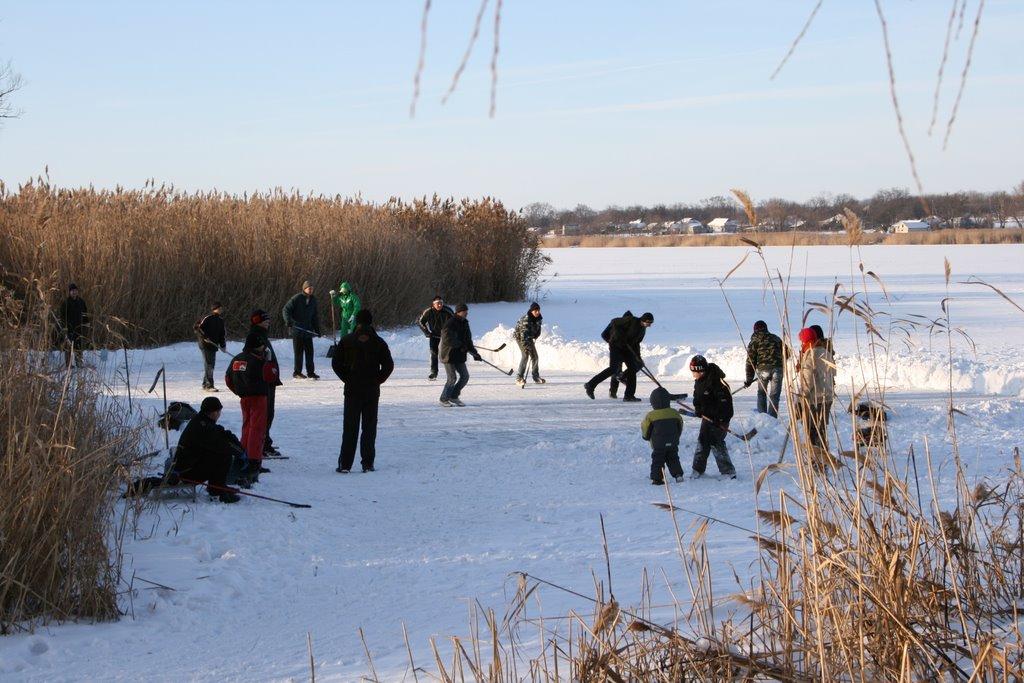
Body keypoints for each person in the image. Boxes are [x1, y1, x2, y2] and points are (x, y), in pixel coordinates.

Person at [332, 309, 394, 473]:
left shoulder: (347, 340)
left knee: (350, 427)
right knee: (369, 428)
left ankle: (345, 464)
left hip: (352, 390)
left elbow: (336, 364)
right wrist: (378, 380)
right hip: (371, 391)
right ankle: (367, 463)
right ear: (371, 322)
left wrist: (347, 378)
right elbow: (389, 365)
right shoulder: (379, 342)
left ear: (356, 322)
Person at [225, 314, 280, 480]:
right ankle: (254, 461)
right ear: (257, 347)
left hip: (244, 398)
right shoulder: (259, 361)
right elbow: (271, 376)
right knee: (257, 429)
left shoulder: (237, 359)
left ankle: (244, 455)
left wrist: (238, 391)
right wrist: (269, 362)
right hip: (259, 398)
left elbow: (228, 379)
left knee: (247, 427)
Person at [172, 396, 245, 503]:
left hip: (188, 466)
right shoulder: (204, 427)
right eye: (219, 411)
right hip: (186, 473)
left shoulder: (202, 420)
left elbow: (222, 433)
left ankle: (219, 486)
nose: (219, 414)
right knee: (224, 455)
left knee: (219, 452)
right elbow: (223, 445)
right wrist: (240, 453)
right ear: (213, 412)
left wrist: (239, 447)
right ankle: (217, 492)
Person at [584, 312, 654, 402]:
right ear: (643, 319)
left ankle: (629, 395)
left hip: (627, 349)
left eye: (651, 323)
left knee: (632, 369)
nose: (649, 325)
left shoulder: (642, 330)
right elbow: (614, 322)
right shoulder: (632, 320)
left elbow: (636, 344)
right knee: (613, 368)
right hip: (616, 346)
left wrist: (638, 357)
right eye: (648, 323)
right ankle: (590, 385)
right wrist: (619, 336)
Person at [689, 355, 736, 479]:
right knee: (702, 441)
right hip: (707, 418)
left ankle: (728, 472)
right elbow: (697, 397)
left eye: (694, 372)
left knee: (716, 443)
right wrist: (698, 409)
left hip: (720, 419)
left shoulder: (717, 383)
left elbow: (726, 405)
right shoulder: (699, 381)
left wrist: (719, 418)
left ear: (701, 370)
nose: (693, 374)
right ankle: (697, 470)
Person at [246, 310, 284, 457]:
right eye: (265, 321)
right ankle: (262, 444)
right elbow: (252, 357)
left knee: (269, 414)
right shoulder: (255, 335)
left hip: (269, 380)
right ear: (257, 321)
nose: (268, 323)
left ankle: (264, 441)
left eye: (268, 321)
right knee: (264, 415)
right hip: (263, 381)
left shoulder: (262, 334)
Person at [797, 327, 835, 452]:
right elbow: (833, 372)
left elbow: (807, 382)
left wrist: (799, 398)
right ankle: (823, 458)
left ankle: (816, 462)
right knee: (821, 430)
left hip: (814, 400)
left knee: (812, 432)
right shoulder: (826, 353)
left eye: (802, 342)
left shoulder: (810, 356)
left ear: (806, 341)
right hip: (827, 398)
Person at [439, 303, 481, 407]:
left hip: (459, 355)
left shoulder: (465, 323)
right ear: (458, 312)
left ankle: (453, 396)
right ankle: (444, 399)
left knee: (465, 376)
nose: (466, 313)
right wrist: (460, 345)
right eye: (464, 311)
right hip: (448, 354)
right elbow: (447, 339)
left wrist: (475, 353)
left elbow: (467, 340)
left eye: (467, 311)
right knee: (452, 378)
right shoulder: (450, 323)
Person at [641, 387, 686, 485]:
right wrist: (676, 436)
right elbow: (680, 425)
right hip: (673, 442)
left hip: (658, 444)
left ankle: (657, 479)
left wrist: (646, 437)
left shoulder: (651, 416)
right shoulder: (674, 413)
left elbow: (645, 428)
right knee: (673, 458)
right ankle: (678, 475)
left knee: (658, 460)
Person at [743, 320, 784, 417]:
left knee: (762, 393)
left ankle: (762, 417)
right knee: (775, 395)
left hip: (763, 370)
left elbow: (750, 362)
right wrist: (778, 360)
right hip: (778, 369)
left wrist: (749, 379)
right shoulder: (776, 339)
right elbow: (787, 353)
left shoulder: (754, 341)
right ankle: (772, 418)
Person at [283, 280, 322, 379]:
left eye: (312, 288)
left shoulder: (313, 300)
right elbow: (286, 309)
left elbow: (314, 316)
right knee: (298, 352)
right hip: (297, 329)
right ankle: (297, 372)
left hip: (307, 330)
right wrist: (288, 321)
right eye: (309, 288)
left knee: (310, 352)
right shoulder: (297, 298)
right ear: (304, 289)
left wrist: (317, 329)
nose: (311, 290)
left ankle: (310, 372)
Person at [418, 295, 454, 380]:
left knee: (446, 355)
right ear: (433, 304)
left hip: (445, 337)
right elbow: (420, 322)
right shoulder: (428, 311)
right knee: (433, 353)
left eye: (441, 303)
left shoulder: (448, 311)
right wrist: (427, 332)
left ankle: (451, 373)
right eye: (437, 303)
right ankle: (434, 372)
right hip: (434, 335)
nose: (439, 305)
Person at [195, 302, 227, 391]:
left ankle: (205, 383)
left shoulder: (220, 320)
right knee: (209, 364)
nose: (220, 310)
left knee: (210, 364)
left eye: (221, 308)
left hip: (213, 345)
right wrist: (204, 337)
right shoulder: (207, 318)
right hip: (205, 344)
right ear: (214, 309)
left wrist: (223, 346)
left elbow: (222, 334)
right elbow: (197, 328)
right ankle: (209, 385)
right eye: (219, 308)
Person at [514, 302, 545, 387]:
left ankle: (536, 377)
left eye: (538, 310)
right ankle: (519, 378)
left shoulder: (539, 318)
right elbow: (523, 335)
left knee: (535, 356)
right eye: (535, 311)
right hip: (520, 338)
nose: (537, 312)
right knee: (525, 355)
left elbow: (538, 329)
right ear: (531, 311)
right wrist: (526, 346)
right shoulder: (526, 320)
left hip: (529, 338)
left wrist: (536, 335)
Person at [59, 283, 89, 368]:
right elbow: (62, 316)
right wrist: (64, 327)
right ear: (69, 292)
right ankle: (68, 365)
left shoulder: (81, 302)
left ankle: (79, 363)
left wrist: (86, 323)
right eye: (72, 291)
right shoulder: (65, 303)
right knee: (68, 347)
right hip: (69, 328)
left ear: (77, 291)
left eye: (75, 290)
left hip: (79, 328)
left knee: (79, 346)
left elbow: (85, 314)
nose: (74, 292)